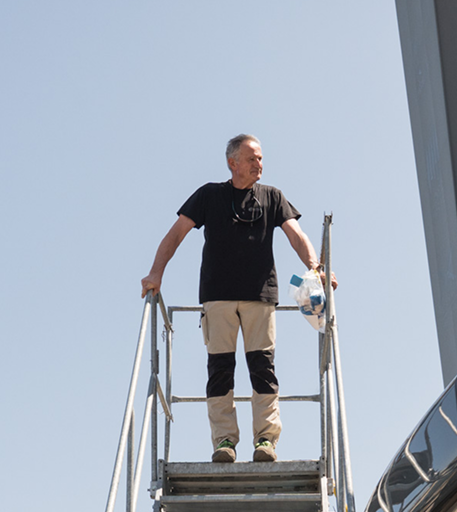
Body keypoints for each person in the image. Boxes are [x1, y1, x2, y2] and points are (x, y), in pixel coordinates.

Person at [141, 134, 334, 463]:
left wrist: (316, 269)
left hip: (260, 297)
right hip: (217, 298)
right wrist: (155, 273)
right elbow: (175, 234)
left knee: (263, 369)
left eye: (261, 158)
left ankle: (266, 440)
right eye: (253, 158)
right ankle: (224, 441)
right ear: (233, 163)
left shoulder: (272, 196)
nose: (260, 163)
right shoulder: (209, 195)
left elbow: (296, 235)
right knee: (220, 370)